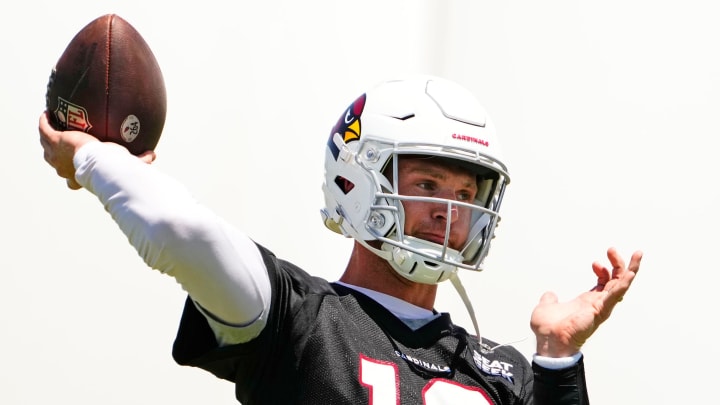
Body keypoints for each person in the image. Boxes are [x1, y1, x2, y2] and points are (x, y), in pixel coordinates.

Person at [39, 75, 642, 404]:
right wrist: (93, 160)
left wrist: (559, 358)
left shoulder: (508, 374)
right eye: (429, 182)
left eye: (465, 194)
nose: (448, 211)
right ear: (357, 178)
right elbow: (182, 230)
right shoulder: (299, 321)